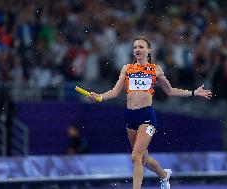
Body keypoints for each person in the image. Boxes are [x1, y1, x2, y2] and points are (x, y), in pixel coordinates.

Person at [88, 37, 212, 189]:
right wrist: (100, 97)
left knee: (135, 157)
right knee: (143, 160)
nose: (137, 50)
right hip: (130, 116)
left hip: (146, 116)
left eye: (141, 47)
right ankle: (164, 175)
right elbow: (114, 92)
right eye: (135, 47)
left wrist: (194, 92)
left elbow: (171, 91)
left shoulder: (155, 69)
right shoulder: (127, 68)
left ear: (148, 50)